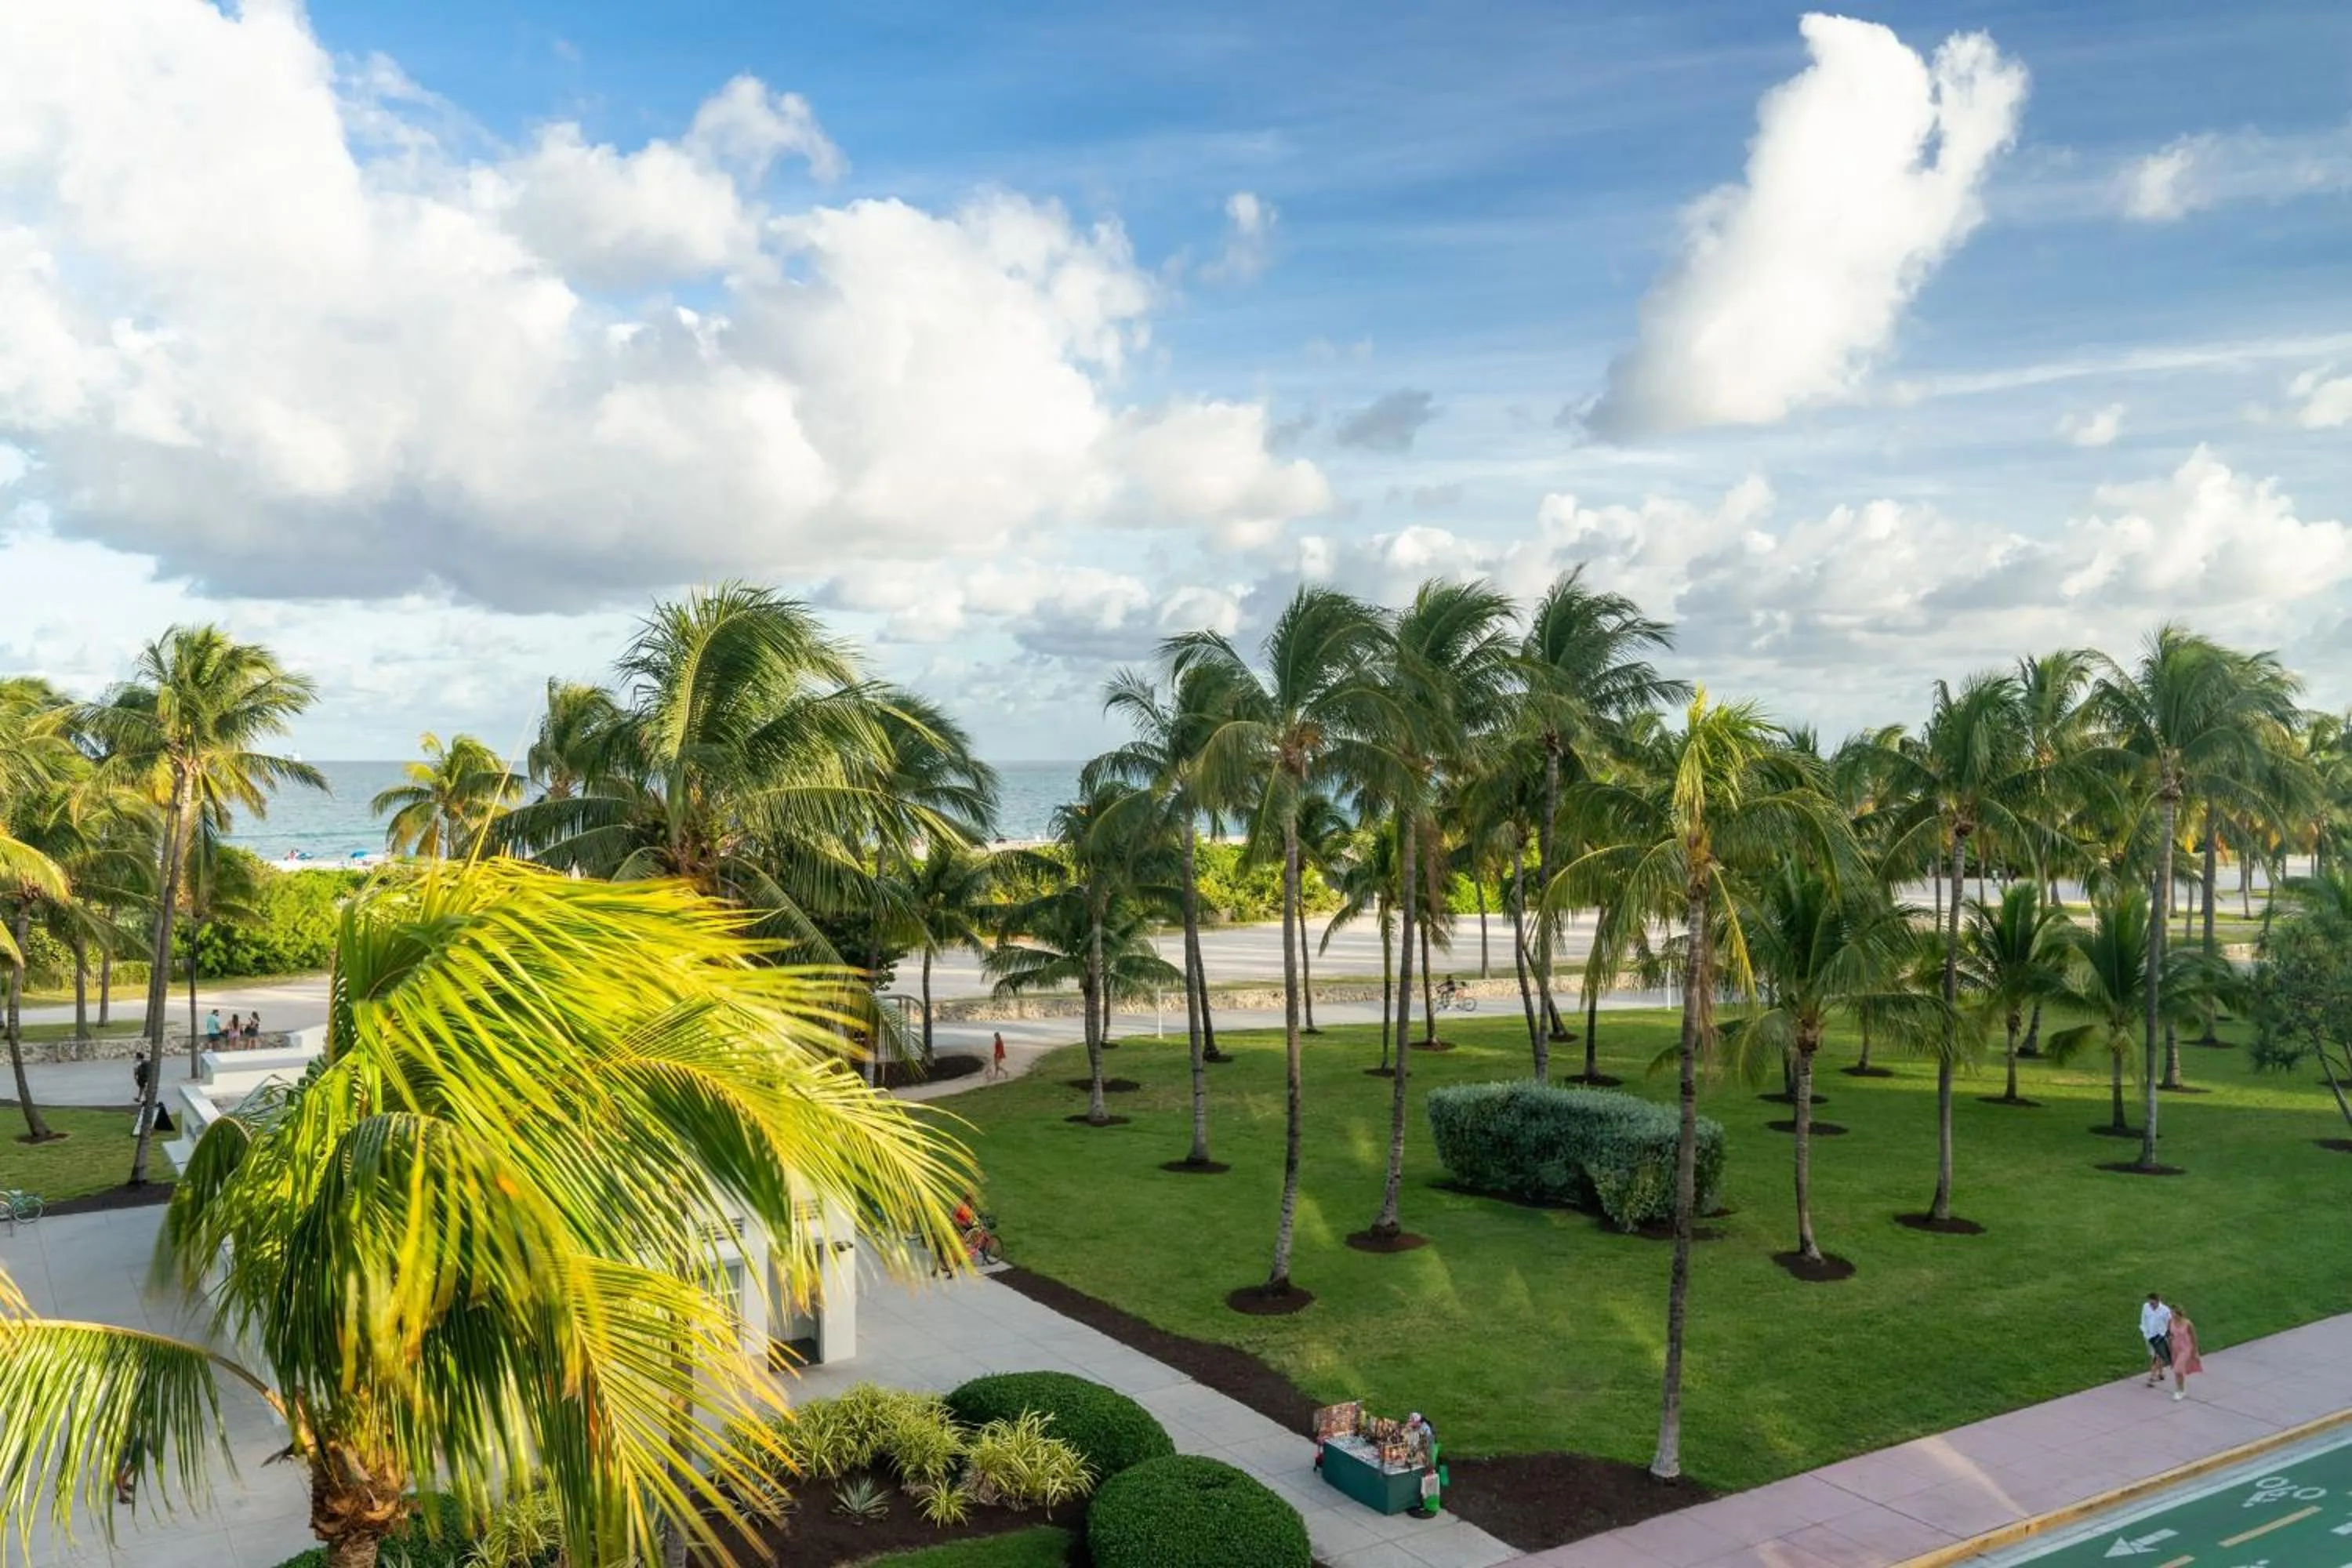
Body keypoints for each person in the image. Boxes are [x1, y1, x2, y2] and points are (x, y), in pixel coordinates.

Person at [2169, 1304, 2203, 1400]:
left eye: (2173, 1313)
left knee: (2178, 1369)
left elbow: (2194, 1337)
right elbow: (2170, 1334)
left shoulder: (2188, 1323)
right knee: (2178, 1371)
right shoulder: (2171, 1322)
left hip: (2186, 1349)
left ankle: (2180, 1391)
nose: (2172, 1314)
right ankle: (2180, 1389)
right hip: (2175, 1349)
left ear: (2178, 1313)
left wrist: (2195, 1351)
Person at [2141, 1293, 2173, 1387]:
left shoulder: (2165, 1310)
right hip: (2149, 1335)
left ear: (2158, 1301)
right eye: (2150, 1303)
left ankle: (2152, 1377)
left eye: (2153, 1304)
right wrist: (2145, 1331)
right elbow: (2143, 1319)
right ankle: (2161, 1373)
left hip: (2160, 1336)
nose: (2151, 1306)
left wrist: (2168, 1334)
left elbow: (2170, 1323)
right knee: (2156, 1355)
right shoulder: (2146, 1307)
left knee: (2156, 1356)